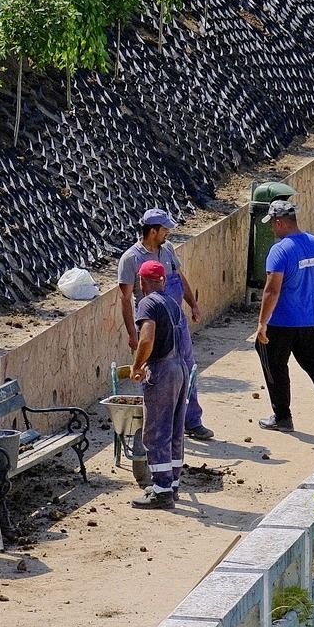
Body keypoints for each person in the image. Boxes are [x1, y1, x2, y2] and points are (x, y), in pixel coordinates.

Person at [254, 200, 314, 439]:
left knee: (274, 365)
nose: (272, 229)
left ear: (278, 222)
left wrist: (262, 323)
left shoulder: (280, 250)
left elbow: (271, 291)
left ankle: (282, 417)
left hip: (281, 324)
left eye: (272, 224)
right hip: (312, 322)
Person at [117, 209, 213, 441]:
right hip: (151, 325)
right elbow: (125, 299)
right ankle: (156, 424)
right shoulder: (131, 259)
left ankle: (191, 421)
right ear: (152, 231)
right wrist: (133, 334)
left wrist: (194, 305)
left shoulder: (167, 250)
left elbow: (180, 278)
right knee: (152, 373)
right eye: (165, 229)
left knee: (186, 369)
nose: (168, 233)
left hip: (177, 322)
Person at [125, 260, 187, 509]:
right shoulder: (172, 302)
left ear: (141, 282)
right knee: (174, 429)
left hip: (161, 369)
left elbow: (147, 338)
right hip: (179, 367)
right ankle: (171, 485)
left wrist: (137, 366)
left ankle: (161, 491)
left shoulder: (148, 303)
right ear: (162, 281)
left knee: (157, 431)